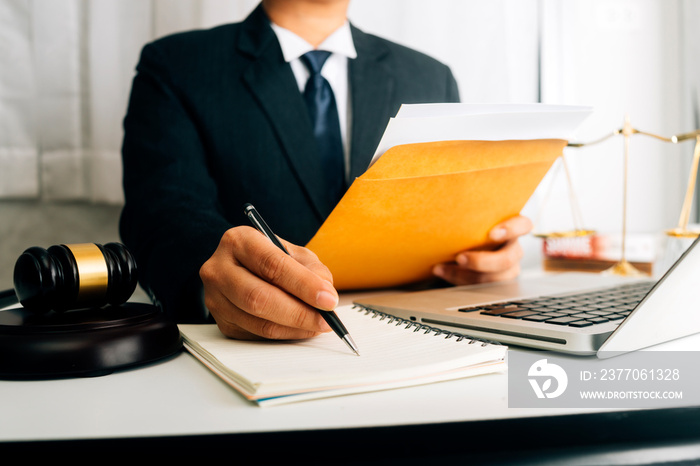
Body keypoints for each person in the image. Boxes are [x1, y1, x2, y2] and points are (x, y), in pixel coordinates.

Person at [120, 0, 531, 340]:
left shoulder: (430, 77)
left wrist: (481, 254)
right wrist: (211, 273)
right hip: (257, 345)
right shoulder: (178, 65)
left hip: (418, 336)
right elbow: (160, 212)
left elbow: (446, 214)